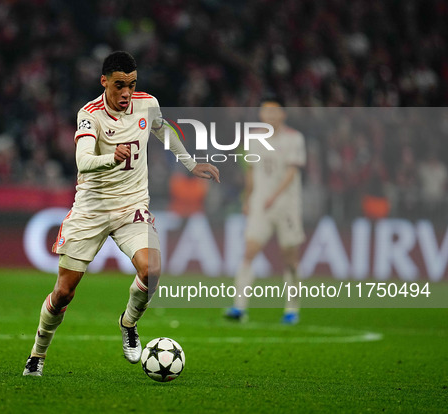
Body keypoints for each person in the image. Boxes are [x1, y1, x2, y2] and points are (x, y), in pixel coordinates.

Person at [23, 51, 220, 376]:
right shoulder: (90, 115)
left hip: (132, 207)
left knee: (151, 270)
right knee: (63, 293)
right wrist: (111, 158)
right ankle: (37, 354)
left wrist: (191, 163)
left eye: (131, 84)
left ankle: (128, 323)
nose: (126, 93)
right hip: (92, 209)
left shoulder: (147, 104)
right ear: (104, 82)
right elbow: (83, 161)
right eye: (119, 85)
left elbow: (164, 131)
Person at [225, 96, 306, 324]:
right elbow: (251, 171)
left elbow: (292, 172)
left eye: (274, 111)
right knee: (249, 251)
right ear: (261, 115)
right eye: (265, 111)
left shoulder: (294, 138)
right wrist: (248, 198)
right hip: (261, 204)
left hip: (287, 205)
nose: (269, 116)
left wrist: (274, 196)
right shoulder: (253, 138)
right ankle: (239, 307)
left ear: (283, 114)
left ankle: (292, 309)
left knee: (289, 258)